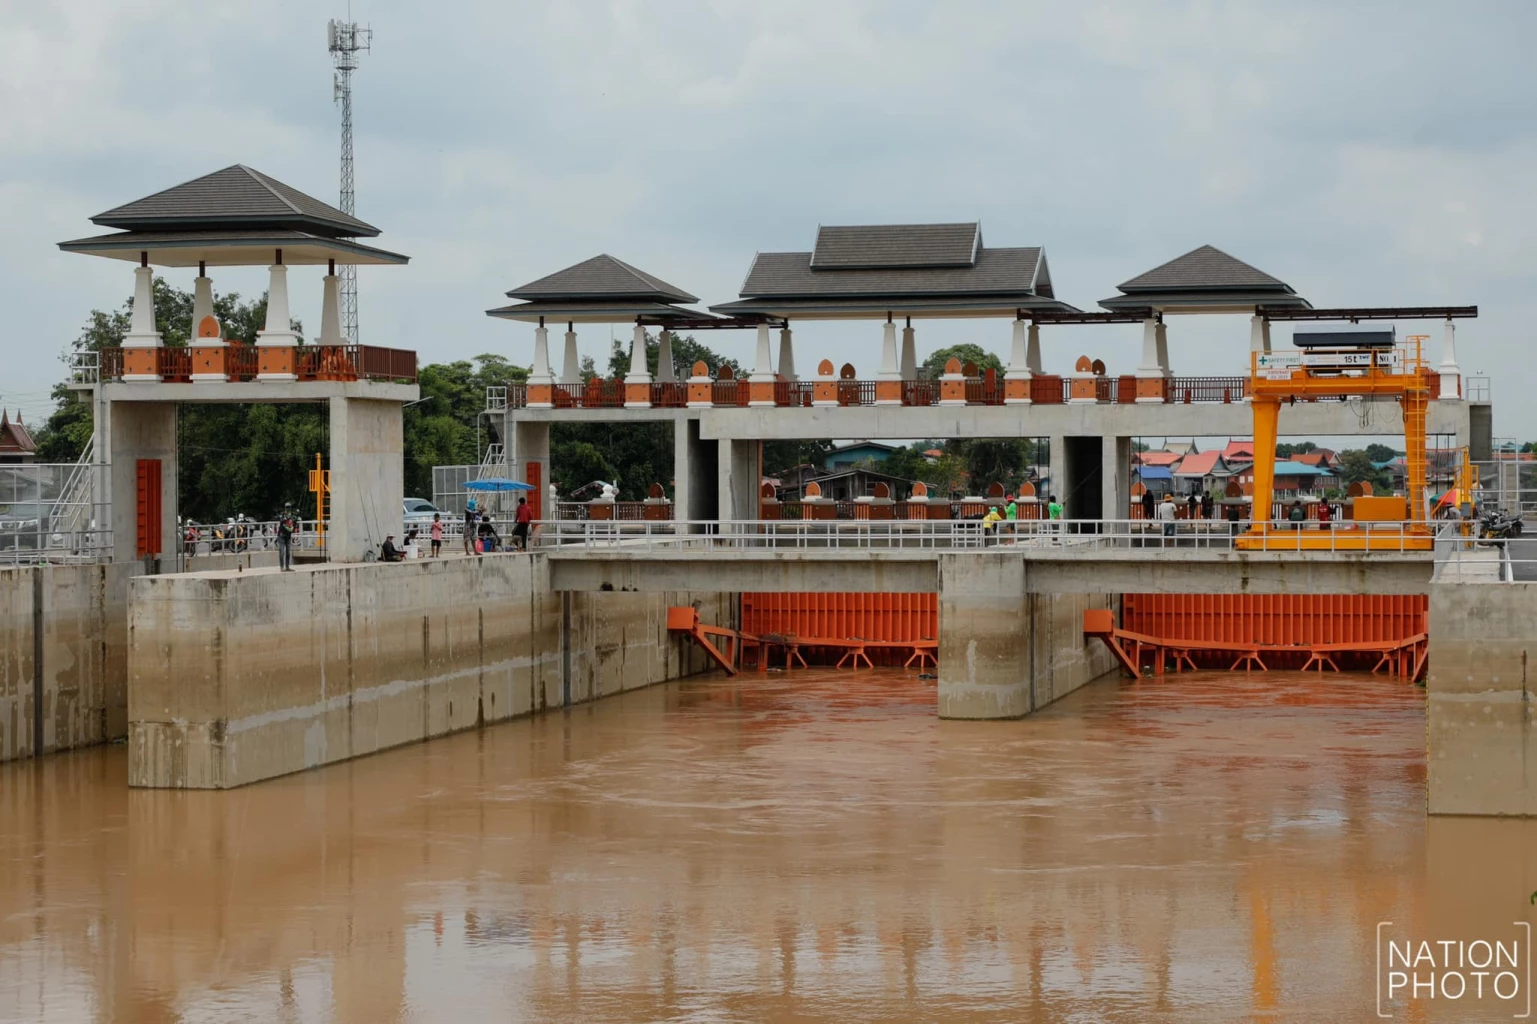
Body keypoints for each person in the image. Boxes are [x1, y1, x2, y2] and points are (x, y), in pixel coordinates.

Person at [276, 503, 297, 572]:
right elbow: (282, 521)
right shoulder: (282, 515)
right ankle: (282, 567)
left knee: (288, 552)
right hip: (281, 536)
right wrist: (287, 518)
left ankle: (287, 566)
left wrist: (295, 519)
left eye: (289, 507)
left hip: (288, 536)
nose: (288, 509)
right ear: (285, 508)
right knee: (281, 552)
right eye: (287, 507)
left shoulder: (292, 516)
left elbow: (293, 526)